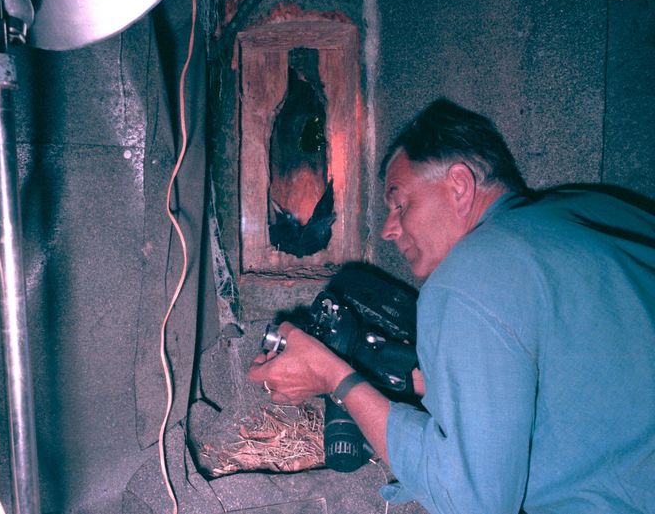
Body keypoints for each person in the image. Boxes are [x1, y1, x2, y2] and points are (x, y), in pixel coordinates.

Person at [248, 98, 655, 513]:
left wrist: (336, 379)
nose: (389, 230)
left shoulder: (470, 274)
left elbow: (473, 502)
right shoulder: (592, 210)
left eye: (400, 203)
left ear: (459, 186)